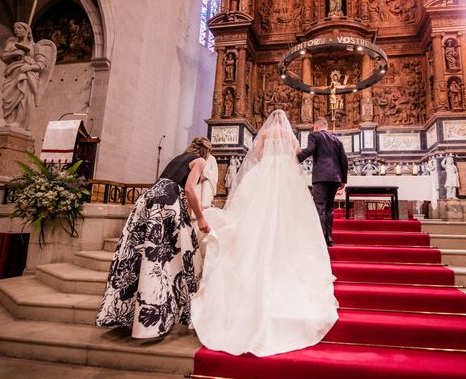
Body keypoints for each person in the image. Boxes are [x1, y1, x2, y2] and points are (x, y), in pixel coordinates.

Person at [191, 110, 338, 356]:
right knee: (289, 218)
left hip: (265, 173)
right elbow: (295, 153)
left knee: (255, 216)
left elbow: (257, 154)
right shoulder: (288, 134)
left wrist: (268, 158)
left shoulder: (266, 132)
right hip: (285, 176)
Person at [96, 137, 213, 339]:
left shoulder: (178, 158)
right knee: (177, 256)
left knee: (141, 253)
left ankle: (125, 311)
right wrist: (201, 217)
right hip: (167, 203)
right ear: (206, 152)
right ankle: (162, 312)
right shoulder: (200, 161)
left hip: (147, 199)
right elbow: (188, 189)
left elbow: (175, 183)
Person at [297, 117, 349, 247]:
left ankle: (321, 239)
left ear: (316, 127)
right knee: (329, 208)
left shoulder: (315, 135)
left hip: (321, 176)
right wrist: (343, 180)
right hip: (335, 178)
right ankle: (329, 238)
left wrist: (295, 159)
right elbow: (344, 161)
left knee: (320, 207)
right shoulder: (337, 140)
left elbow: (309, 150)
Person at [0, 22, 56, 129]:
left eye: (19, 28)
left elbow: (42, 64)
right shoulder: (12, 45)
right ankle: (11, 120)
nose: (16, 30)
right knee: (7, 99)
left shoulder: (36, 46)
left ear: (27, 31)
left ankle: (18, 122)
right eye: (15, 28)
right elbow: (4, 57)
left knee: (23, 99)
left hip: (27, 75)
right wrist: (15, 53)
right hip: (12, 73)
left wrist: (29, 67)